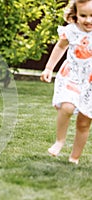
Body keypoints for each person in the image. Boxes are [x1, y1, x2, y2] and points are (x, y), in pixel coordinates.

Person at [40, 0, 92, 164]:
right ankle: (59, 141)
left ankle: (74, 158)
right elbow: (60, 47)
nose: (88, 20)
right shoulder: (71, 31)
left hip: (90, 82)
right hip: (73, 76)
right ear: (75, 14)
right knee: (67, 106)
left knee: (84, 122)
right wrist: (49, 68)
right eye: (83, 15)